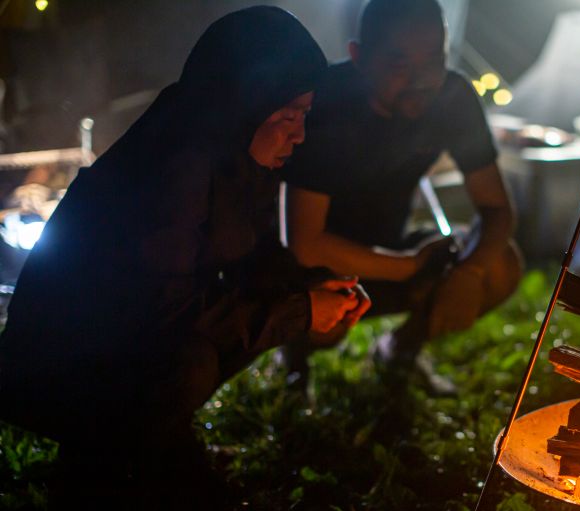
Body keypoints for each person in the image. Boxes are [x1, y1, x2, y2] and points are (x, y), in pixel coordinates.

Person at [0, 6, 370, 471]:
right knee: (190, 359)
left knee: (238, 325)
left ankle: (155, 440)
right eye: (289, 115)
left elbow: (253, 256)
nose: (299, 135)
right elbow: (168, 309)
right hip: (55, 368)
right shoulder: (173, 167)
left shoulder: (234, 155)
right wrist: (302, 311)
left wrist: (314, 288)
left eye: (305, 115)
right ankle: (104, 469)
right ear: (248, 100)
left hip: (120, 344)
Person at [282, 0, 522, 392]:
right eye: (399, 64)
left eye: (434, 60)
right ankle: (294, 357)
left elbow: (496, 209)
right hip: (316, 266)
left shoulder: (452, 97)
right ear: (359, 57)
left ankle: (401, 349)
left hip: (391, 247)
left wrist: (469, 271)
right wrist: (408, 266)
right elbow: (305, 244)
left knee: (500, 265)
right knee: (324, 321)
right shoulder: (327, 103)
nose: (422, 79)